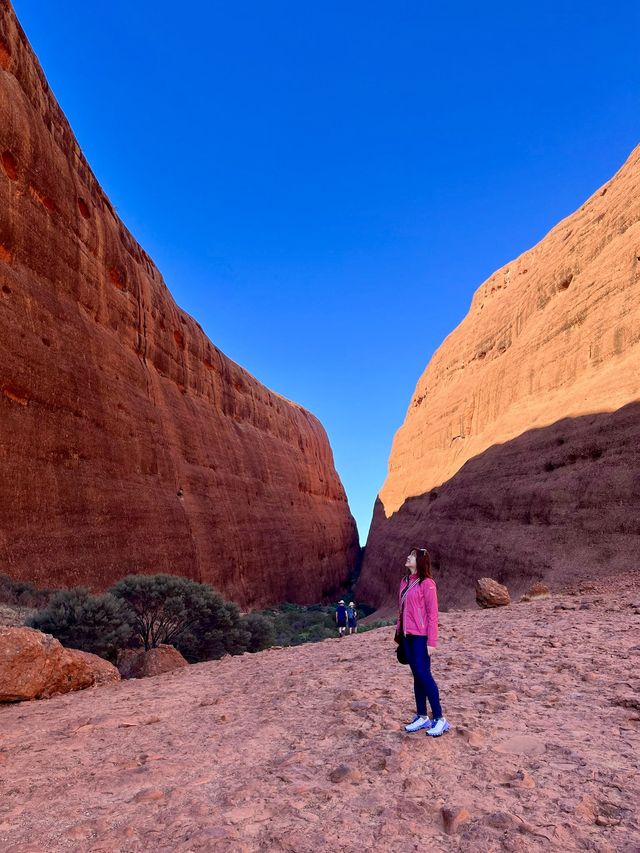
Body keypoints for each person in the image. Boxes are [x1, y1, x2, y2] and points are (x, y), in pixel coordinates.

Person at [395, 547, 449, 737]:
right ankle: (422, 716)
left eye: (411, 555)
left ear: (419, 561)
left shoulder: (427, 583)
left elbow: (433, 615)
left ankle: (440, 719)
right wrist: (399, 633)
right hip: (407, 635)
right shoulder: (404, 582)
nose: (408, 557)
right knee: (417, 675)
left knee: (424, 675)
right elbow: (402, 610)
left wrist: (431, 641)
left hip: (421, 636)